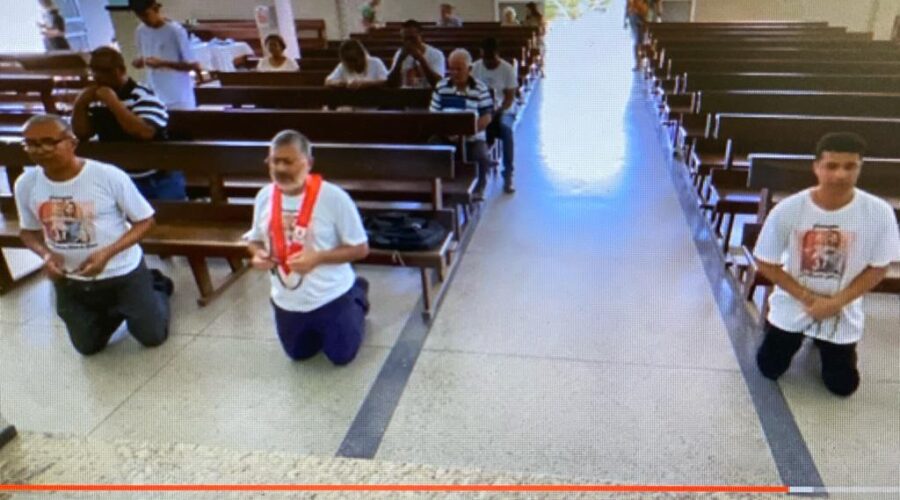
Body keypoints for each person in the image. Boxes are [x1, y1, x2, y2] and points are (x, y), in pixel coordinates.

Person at [753, 132, 900, 397]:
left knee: (843, 386)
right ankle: (785, 335)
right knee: (768, 368)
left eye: (850, 166)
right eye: (832, 166)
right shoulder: (790, 209)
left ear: (860, 168)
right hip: (795, 300)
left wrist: (835, 302)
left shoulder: (879, 212)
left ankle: (826, 344)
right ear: (817, 167)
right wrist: (808, 298)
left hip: (842, 304)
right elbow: (765, 261)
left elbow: (879, 267)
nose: (841, 175)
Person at [14, 114, 173, 356]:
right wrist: (45, 255)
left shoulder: (107, 175)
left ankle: (155, 287)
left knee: (152, 337)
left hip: (122, 272)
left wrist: (107, 253)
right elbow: (28, 231)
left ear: (72, 143)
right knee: (88, 347)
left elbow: (145, 221)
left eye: (49, 142)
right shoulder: (26, 183)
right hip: (71, 280)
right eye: (31, 144)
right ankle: (119, 309)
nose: (41, 150)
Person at [245, 130, 371, 365]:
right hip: (287, 298)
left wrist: (319, 257)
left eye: (289, 162)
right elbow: (254, 240)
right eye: (275, 161)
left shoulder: (334, 198)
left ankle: (357, 295)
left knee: (341, 357)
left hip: (330, 295)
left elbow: (361, 248)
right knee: (299, 355)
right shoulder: (264, 196)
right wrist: (258, 254)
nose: (281, 169)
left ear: (308, 163)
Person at [71, 47, 186, 201]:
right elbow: (82, 133)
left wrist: (113, 102)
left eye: (104, 71)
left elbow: (144, 132)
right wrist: (79, 104)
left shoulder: (142, 95)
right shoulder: (95, 97)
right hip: (119, 176)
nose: (98, 77)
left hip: (157, 176)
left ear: (121, 70)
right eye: (94, 71)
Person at [430, 48, 494, 201]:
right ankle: (439, 189)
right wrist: (446, 132)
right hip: (446, 135)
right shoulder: (441, 87)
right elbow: (433, 114)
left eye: (459, 69)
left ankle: (479, 188)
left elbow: (486, 117)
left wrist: (468, 132)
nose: (454, 73)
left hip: (473, 137)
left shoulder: (480, 88)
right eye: (451, 68)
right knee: (432, 147)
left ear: (469, 69)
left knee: (481, 156)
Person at [130, 0, 200, 110]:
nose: (144, 20)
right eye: (139, 16)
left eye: (146, 15)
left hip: (178, 97)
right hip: (155, 94)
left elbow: (193, 65)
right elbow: (142, 57)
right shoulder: (140, 31)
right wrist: (139, 62)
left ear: (155, 9)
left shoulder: (175, 31)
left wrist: (163, 64)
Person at [472, 38, 518, 194]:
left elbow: (509, 98)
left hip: (503, 110)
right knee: (471, 128)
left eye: (491, 58)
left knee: (506, 130)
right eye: (485, 57)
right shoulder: (476, 67)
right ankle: (479, 172)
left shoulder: (507, 69)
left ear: (497, 54)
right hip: (482, 109)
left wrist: (497, 110)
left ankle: (508, 173)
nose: (488, 62)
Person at [387, 20, 446, 89]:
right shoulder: (399, 54)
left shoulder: (436, 54)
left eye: (412, 38)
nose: (409, 42)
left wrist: (421, 59)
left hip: (427, 95)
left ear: (420, 35)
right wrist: (400, 60)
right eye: (405, 39)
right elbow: (391, 84)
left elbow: (438, 83)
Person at [626, 0, 649, 70]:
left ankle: (641, 63)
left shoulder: (643, 6)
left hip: (640, 18)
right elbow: (629, 5)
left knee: (640, 42)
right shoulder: (632, 6)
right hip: (635, 17)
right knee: (638, 42)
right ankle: (638, 63)